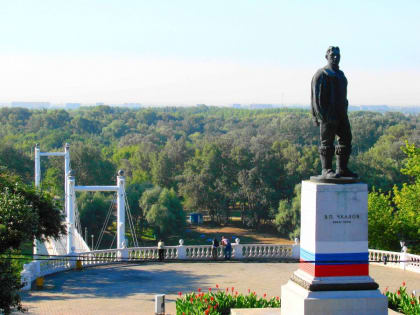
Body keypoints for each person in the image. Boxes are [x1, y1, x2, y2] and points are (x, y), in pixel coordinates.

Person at [311, 46, 358, 179]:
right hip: (328, 115)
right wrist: (321, 116)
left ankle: (342, 169)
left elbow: (344, 96)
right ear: (327, 57)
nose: (335, 57)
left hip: (341, 114)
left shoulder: (341, 75)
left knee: (346, 139)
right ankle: (326, 169)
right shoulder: (322, 74)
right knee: (327, 142)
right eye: (333, 55)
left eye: (338, 55)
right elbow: (316, 98)